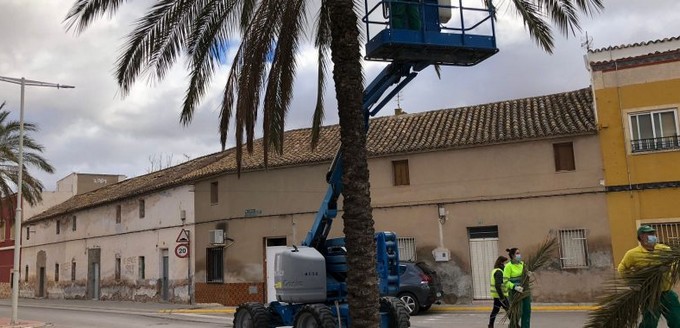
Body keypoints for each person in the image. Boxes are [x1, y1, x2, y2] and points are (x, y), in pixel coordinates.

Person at [618, 225, 680, 328]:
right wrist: (632, 283)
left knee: (677, 319)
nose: (653, 236)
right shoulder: (633, 254)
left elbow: (675, 263)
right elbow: (622, 268)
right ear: (641, 237)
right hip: (649, 295)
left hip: (666, 292)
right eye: (649, 234)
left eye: (653, 234)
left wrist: (669, 268)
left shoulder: (664, 249)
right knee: (650, 323)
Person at [504, 248, 531, 328]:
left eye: (519, 253)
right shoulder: (508, 266)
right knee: (517, 313)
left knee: (526, 311)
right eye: (517, 253)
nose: (519, 255)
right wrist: (515, 287)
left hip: (525, 291)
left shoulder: (522, 264)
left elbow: (525, 277)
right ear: (512, 255)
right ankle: (512, 326)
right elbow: (505, 281)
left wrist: (528, 275)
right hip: (514, 292)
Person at [489, 255, 509, 328]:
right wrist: (502, 297)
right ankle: (514, 325)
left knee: (495, 310)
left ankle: (490, 325)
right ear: (501, 263)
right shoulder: (499, 272)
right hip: (500, 296)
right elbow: (498, 285)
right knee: (509, 310)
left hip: (497, 296)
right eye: (505, 263)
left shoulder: (496, 270)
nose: (506, 264)